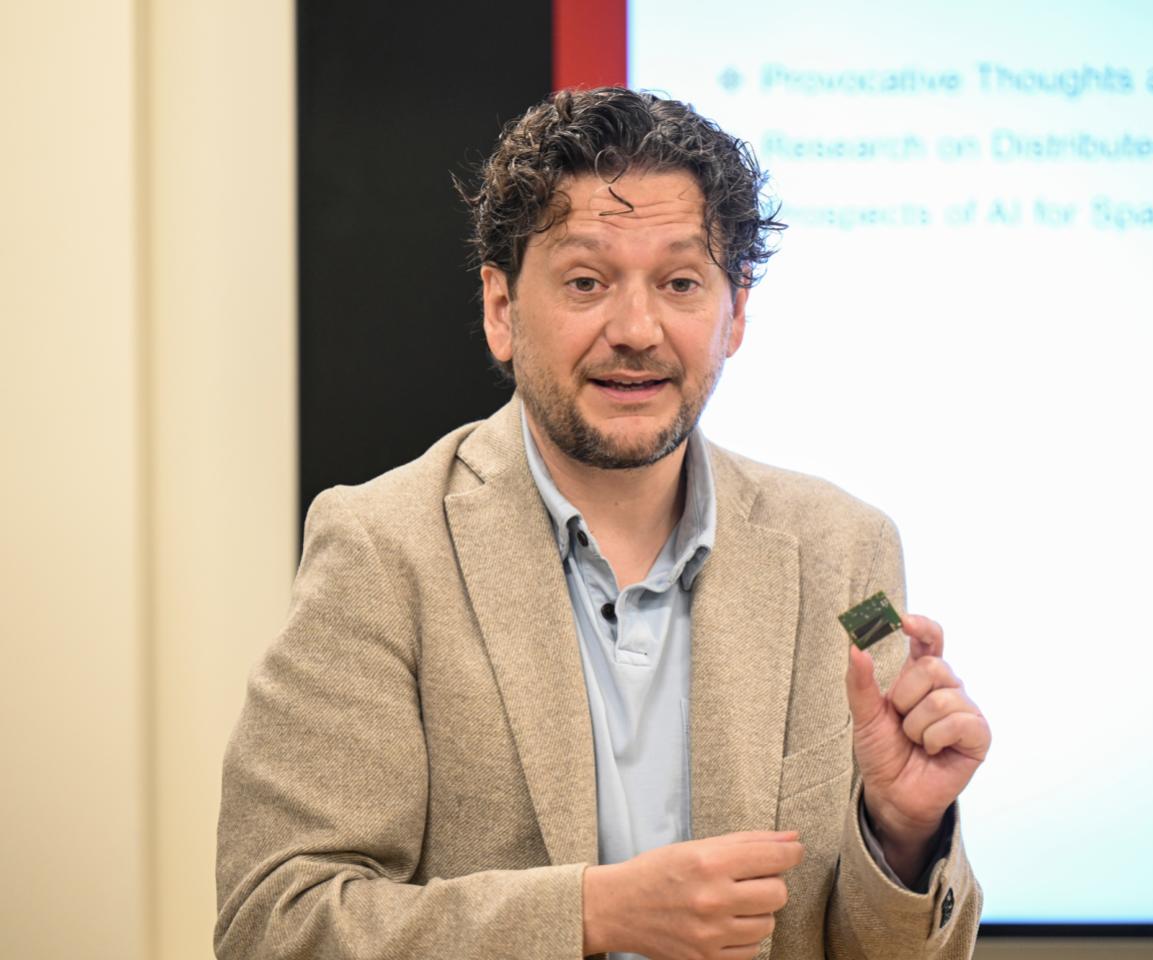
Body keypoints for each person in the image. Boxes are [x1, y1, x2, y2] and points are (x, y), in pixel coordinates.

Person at [215, 87, 990, 960]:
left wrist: (902, 833)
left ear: (734, 315)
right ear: (501, 310)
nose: (635, 329)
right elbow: (276, 924)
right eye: (586, 281)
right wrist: (591, 915)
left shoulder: (844, 550)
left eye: (680, 283)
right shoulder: (382, 548)